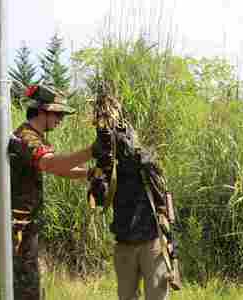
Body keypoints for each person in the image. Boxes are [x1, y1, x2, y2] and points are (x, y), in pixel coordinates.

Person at [8, 84, 98, 299]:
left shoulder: (34, 136)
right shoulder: (26, 138)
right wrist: (91, 151)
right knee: (26, 288)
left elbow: (58, 168)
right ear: (41, 111)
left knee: (31, 284)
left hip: (27, 225)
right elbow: (50, 164)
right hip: (19, 227)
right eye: (58, 114)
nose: (61, 119)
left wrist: (88, 174)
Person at [89, 96, 175, 300]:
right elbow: (99, 200)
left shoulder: (144, 159)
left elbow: (162, 195)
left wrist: (136, 157)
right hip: (124, 243)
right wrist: (101, 172)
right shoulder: (107, 165)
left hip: (151, 242)